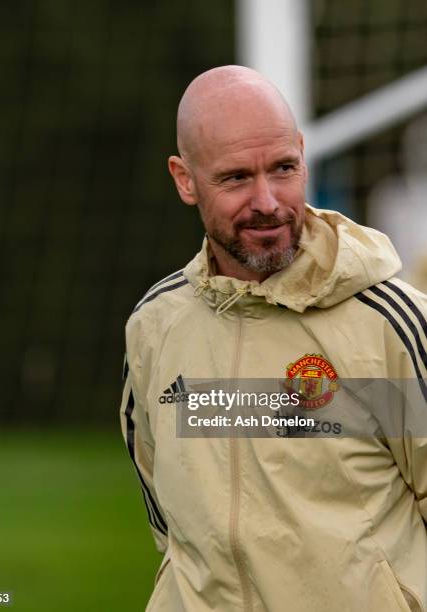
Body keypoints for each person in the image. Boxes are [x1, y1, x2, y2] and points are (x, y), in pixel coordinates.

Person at [120, 66, 427, 612]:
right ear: (184, 179)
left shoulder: (392, 324)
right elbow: (169, 520)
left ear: (303, 154)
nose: (267, 201)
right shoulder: (155, 327)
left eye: (283, 168)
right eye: (236, 177)